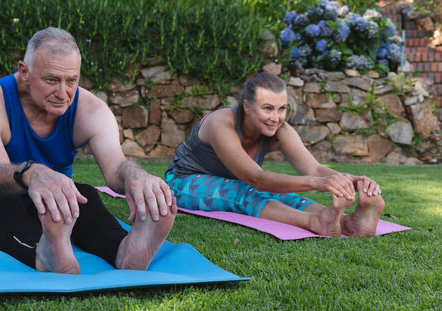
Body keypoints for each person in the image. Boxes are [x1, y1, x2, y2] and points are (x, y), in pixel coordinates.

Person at [0, 27, 176, 274]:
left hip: (45, 199)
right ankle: (43, 253)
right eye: (51, 80)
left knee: (83, 196)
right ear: (24, 72)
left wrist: (135, 175)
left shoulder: (90, 109)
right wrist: (32, 173)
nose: (62, 93)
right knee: (4, 201)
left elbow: (115, 166)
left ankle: (124, 250)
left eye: (71, 81)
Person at [165, 72, 385, 237]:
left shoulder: (281, 129)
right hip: (184, 182)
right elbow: (256, 178)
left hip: (235, 182)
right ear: (247, 107)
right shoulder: (220, 123)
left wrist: (353, 182)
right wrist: (320, 183)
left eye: (282, 109)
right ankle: (316, 222)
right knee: (246, 191)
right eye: (268, 108)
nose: (276, 117)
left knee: (284, 195)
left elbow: (314, 169)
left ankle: (349, 223)